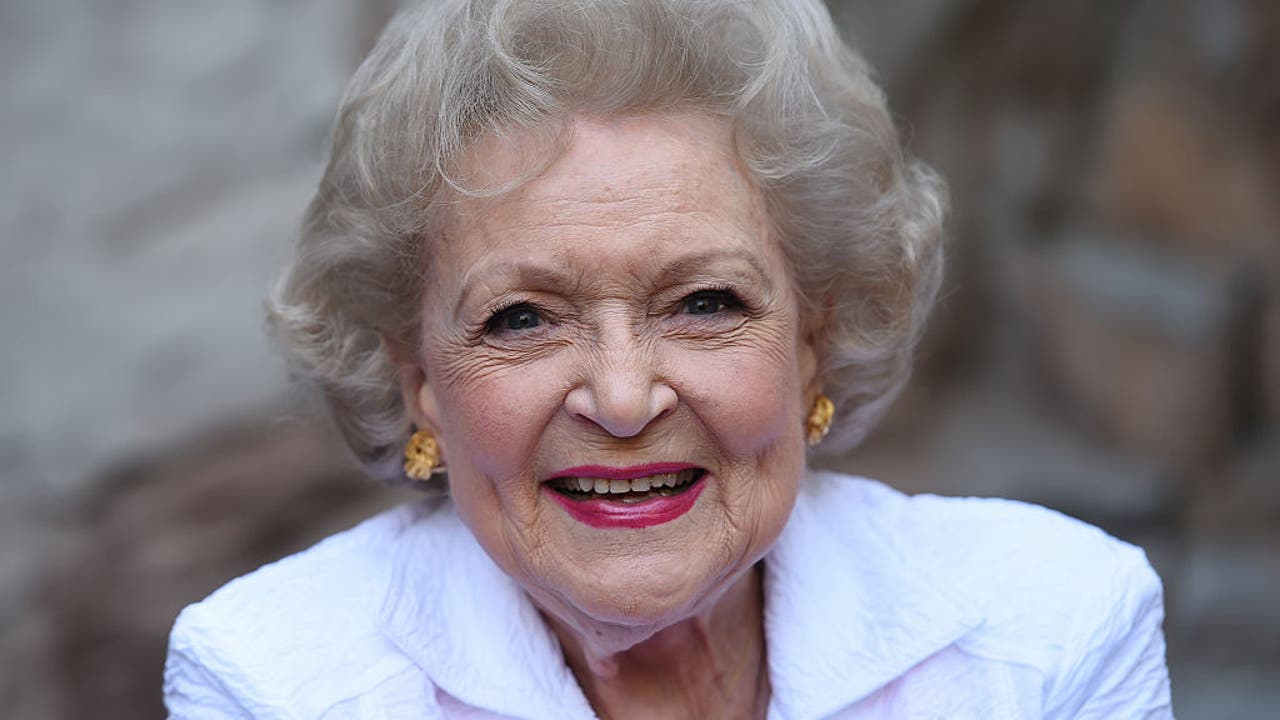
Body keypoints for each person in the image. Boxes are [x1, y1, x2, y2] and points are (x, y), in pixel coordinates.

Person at [163, 0, 1174, 717]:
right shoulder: (275, 682)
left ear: (812, 344)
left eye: (703, 303)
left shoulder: (1046, 630)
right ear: (417, 380)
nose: (620, 396)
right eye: (522, 318)